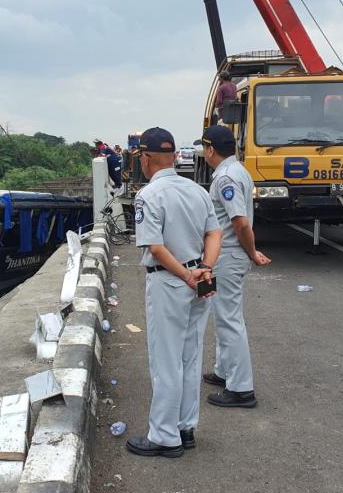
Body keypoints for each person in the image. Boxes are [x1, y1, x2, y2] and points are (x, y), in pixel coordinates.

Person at [126, 126, 222, 458]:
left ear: (146, 158)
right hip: (200, 277)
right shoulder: (197, 190)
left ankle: (164, 436)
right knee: (190, 357)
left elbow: (155, 246)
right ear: (174, 157)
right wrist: (204, 268)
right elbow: (214, 234)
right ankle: (185, 427)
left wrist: (185, 276)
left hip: (170, 281)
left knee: (166, 360)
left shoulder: (148, 195)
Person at [193, 125, 271, 408]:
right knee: (222, 316)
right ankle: (224, 371)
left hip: (227, 256)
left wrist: (251, 252)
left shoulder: (225, 178)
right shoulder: (236, 171)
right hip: (224, 256)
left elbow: (240, 222)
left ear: (210, 149)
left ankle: (241, 389)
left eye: (204, 148)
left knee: (229, 320)